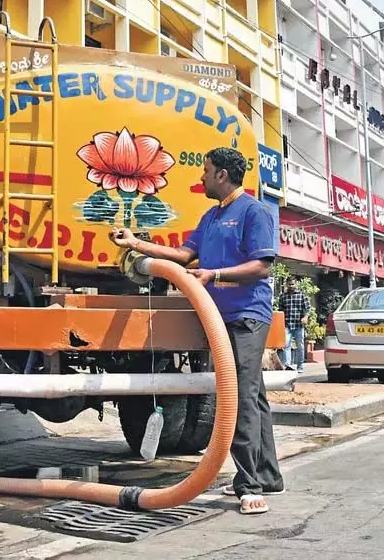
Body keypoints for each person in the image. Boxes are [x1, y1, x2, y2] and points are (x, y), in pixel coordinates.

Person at [112, 146, 283, 515]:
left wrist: (216, 275)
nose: (201, 177)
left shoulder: (254, 212)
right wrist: (136, 243)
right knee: (254, 396)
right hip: (218, 316)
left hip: (247, 315)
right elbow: (185, 256)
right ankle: (268, 474)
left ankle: (249, 485)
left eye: (206, 171)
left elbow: (262, 266)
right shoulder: (211, 216)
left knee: (238, 396)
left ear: (223, 175)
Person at [279, 278, 311, 372]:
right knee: (286, 344)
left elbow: (307, 308)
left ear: (296, 284)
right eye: (289, 284)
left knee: (300, 345)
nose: (291, 286)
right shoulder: (283, 296)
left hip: (298, 325)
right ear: (286, 284)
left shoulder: (301, 295)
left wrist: (305, 317)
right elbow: (280, 310)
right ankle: (287, 365)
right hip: (287, 324)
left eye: (293, 284)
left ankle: (300, 366)